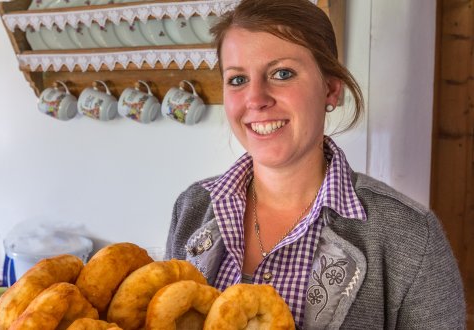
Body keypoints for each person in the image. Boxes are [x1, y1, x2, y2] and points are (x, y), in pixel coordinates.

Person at [165, 0, 466, 328]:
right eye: (237, 79)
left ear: (331, 89)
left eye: (282, 73)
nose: (255, 99)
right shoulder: (192, 209)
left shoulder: (411, 237)